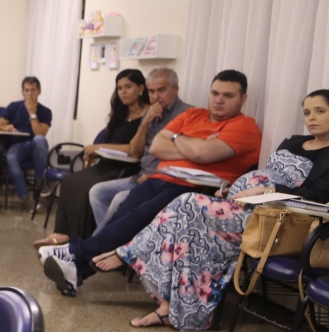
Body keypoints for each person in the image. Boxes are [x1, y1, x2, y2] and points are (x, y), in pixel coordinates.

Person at [100, 91, 329, 330]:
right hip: (242, 207)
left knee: (187, 202)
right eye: (307, 112)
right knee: (186, 233)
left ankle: (129, 252)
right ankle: (167, 309)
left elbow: (318, 196)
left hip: (275, 222)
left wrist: (265, 190)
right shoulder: (293, 141)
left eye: (320, 111)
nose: (311, 117)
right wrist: (235, 189)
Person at [39, 70, 262, 297]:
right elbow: (157, 146)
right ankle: (76, 272)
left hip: (194, 189)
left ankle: (74, 253)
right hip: (160, 177)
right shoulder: (194, 114)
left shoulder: (244, 126)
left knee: (137, 218)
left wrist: (178, 138)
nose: (219, 100)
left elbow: (201, 153)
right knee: (122, 215)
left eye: (228, 95)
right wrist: (188, 142)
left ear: (243, 99)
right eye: (215, 93)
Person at [33, 69, 149, 245]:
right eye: (119, 88)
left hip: (127, 168)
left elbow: (135, 150)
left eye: (128, 87)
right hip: (107, 163)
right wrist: (97, 151)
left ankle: (82, 238)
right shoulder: (120, 113)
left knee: (88, 187)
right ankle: (62, 232)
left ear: (141, 88)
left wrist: (100, 147)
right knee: (71, 181)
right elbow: (110, 140)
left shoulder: (148, 116)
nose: (123, 92)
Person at [87, 68, 192, 233]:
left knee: (119, 200)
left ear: (176, 89)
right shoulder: (150, 112)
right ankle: (113, 242)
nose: (156, 96)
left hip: (161, 179)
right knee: (97, 192)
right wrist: (145, 122)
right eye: (152, 91)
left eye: (162, 90)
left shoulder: (188, 114)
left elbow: (186, 155)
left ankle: (99, 244)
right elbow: (136, 151)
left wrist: (157, 174)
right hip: (140, 175)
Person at [0, 77, 52, 210]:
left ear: (39, 91)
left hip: (36, 148)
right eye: (26, 90)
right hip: (17, 146)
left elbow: (40, 133)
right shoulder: (14, 106)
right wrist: (6, 128)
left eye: (33, 90)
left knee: (39, 140)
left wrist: (32, 113)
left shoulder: (45, 111)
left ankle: (40, 184)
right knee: (11, 157)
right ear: (22, 92)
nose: (30, 94)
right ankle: (24, 197)